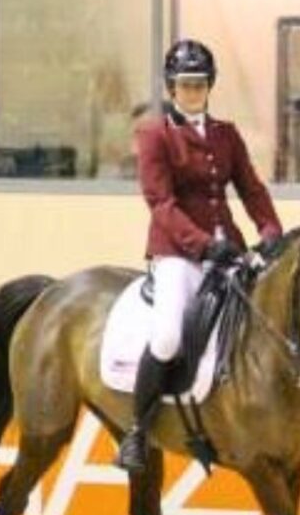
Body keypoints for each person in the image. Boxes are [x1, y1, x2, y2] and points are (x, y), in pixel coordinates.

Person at [116, 39, 283, 471]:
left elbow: (251, 187)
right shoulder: (154, 134)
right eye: (185, 85)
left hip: (229, 248)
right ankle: (138, 431)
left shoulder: (226, 133)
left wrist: (269, 230)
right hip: (178, 253)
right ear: (172, 87)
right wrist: (204, 245)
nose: (193, 92)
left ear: (210, 86)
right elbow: (161, 203)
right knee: (169, 335)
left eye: (200, 84)